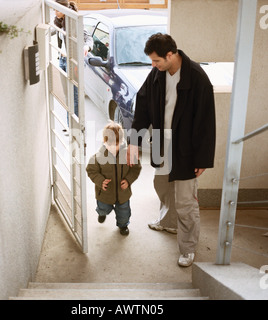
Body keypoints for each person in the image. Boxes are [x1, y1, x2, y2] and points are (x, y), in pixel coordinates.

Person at [127, 33, 216, 267]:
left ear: (170, 54)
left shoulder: (197, 78)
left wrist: (203, 158)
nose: (153, 65)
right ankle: (168, 222)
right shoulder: (157, 74)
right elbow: (143, 105)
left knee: (186, 202)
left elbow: (207, 121)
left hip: (187, 150)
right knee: (162, 184)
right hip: (162, 143)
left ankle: (188, 249)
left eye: (156, 60)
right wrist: (134, 141)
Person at [86, 121, 141, 236]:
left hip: (123, 193)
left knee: (124, 211)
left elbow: (136, 169)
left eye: (115, 145)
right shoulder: (98, 157)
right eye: (108, 144)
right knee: (103, 207)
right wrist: (100, 181)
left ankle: (123, 225)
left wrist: (128, 180)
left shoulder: (129, 155)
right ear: (104, 142)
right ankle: (102, 213)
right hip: (105, 193)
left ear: (121, 142)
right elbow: (91, 170)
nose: (112, 148)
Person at [54, 0, 93, 127]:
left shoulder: (74, 22)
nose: (55, 12)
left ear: (65, 9)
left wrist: (86, 47)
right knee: (67, 95)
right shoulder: (58, 22)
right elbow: (51, 31)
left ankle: (75, 126)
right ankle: (70, 123)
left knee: (74, 96)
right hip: (62, 61)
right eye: (54, 9)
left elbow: (88, 38)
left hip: (73, 62)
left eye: (58, 10)